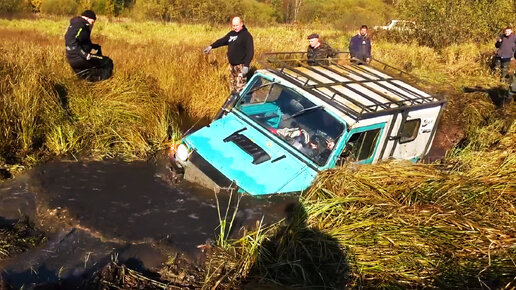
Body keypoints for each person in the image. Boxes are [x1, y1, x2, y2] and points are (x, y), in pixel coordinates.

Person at [204, 16, 254, 93]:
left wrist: (246, 65)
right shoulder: (231, 34)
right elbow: (222, 41)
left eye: (237, 25)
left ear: (241, 24)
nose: (235, 27)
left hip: (241, 66)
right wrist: (211, 46)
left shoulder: (246, 36)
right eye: (233, 25)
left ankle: (240, 103)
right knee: (233, 86)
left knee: (240, 87)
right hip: (232, 65)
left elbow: (250, 51)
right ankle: (233, 102)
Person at [64, 10, 113, 82]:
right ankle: (105, 84)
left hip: (73, 59)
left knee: (87, 78)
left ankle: (93, 87)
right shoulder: (80, 24)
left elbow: (79, 41)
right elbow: (70, 40)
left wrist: (93, 46)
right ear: (86, 18)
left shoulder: (78, 24)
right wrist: (84, 54)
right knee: (108, 62)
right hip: (79, 58)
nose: (92, 25)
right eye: (92, 22)